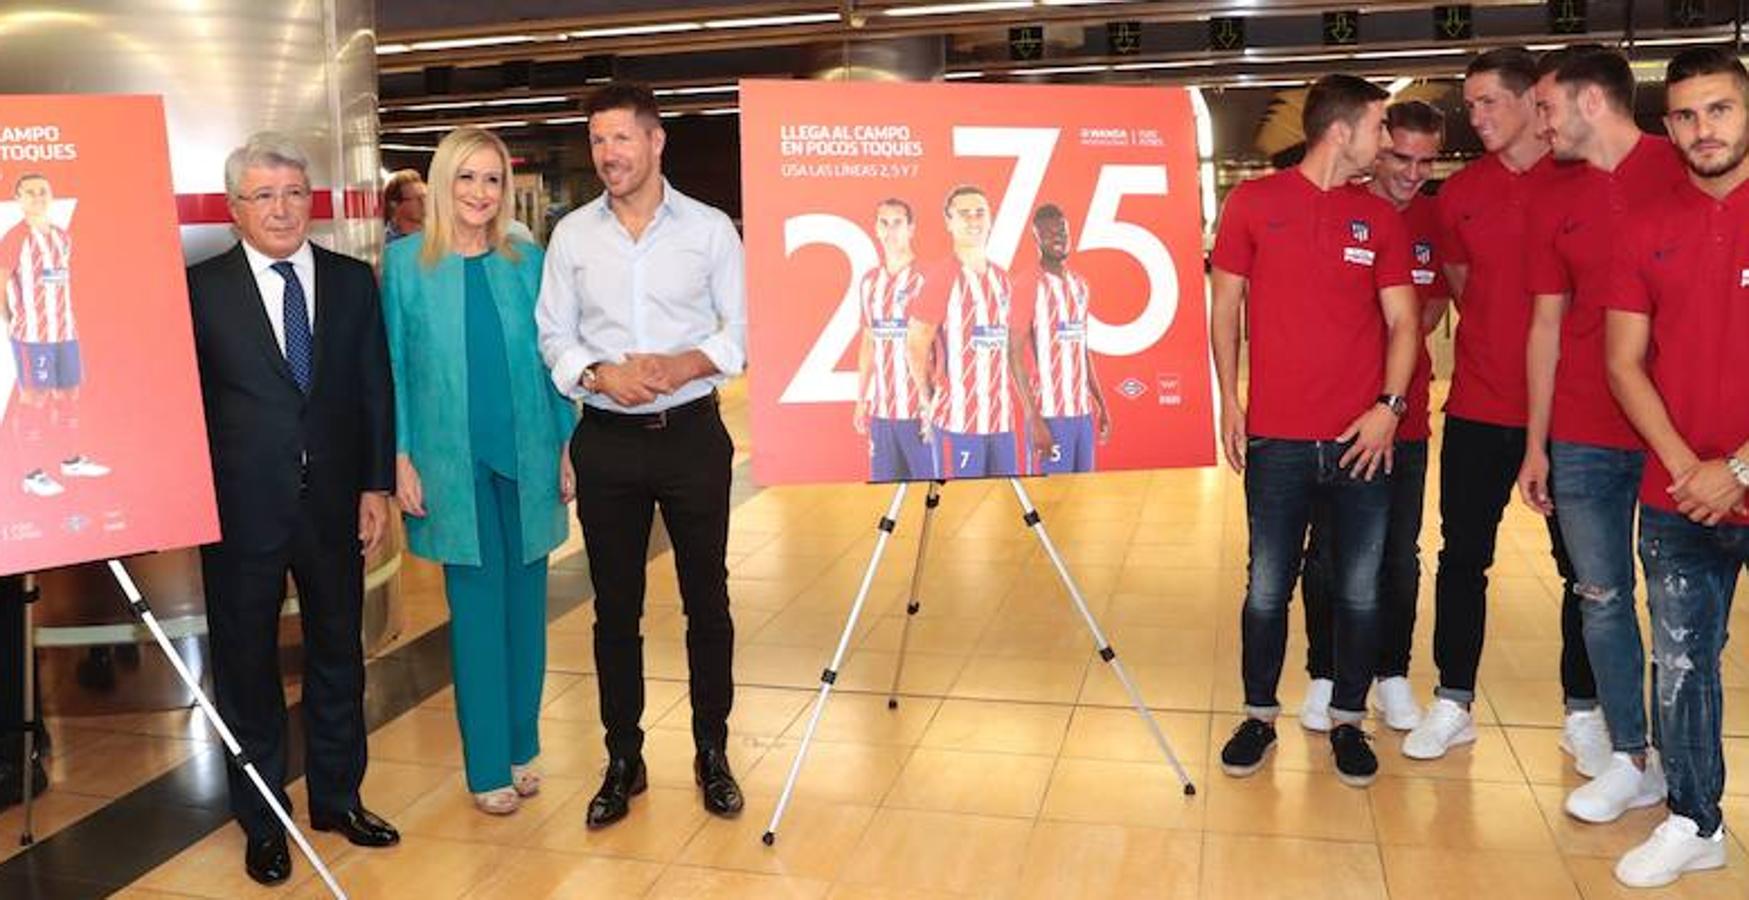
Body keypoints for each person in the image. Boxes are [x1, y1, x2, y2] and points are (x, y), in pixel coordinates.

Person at [186, 132, 399, 885]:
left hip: (335, 505)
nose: (281, 210)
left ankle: (338, 796)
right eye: (263, 195)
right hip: (239, 511)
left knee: (339, 653)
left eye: (293, 194)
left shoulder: (348, 281)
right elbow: (184, 406)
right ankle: (264, 817)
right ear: (235, 207)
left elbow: (374, 386)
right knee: (246, 668)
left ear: (311, 200)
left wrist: (374, 485)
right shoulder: (199, 290)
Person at [535, 82, 746, 829]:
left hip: (691, 435)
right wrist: (598, 374)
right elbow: (553, 334)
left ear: (656, 142)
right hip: (607, 443)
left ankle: (711, 750)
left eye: (621, 139)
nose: (607, 155)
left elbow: (742, 329)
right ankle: (623, 757)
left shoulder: (710, 229)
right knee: (614, 609)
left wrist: (685, 364)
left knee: (706, 601)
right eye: (597, 141)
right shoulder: (572, 236)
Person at [1210, 74, 1420, 787]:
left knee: (1358, 590)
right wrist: (1229, 402)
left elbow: (1402, 324)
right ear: (1341, 131)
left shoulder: (1380, 220)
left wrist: (1388, 408)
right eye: (1379, 127)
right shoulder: (1253, 203)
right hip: (1276, 440)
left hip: (1361, 442)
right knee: (1266, 587)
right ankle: (1257, 715)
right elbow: (1224, 310)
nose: (1385, 142)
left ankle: (1347, 722)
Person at [1404, 48, 1607, 772]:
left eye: (1489, 101)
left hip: (1573, 412)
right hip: (1479, 407)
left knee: (1580, 567)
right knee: (1461, 558)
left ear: (1531, 101)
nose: (1477, 116)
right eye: (1471, 104)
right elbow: (1463, 288)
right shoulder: (1460, 194)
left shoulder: (1583, 182)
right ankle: (1453, 700)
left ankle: (1582, 711)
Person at [381, 127, 576, 816]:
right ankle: (487, 763)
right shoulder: (404, 265)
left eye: (491, 179)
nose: (479, 192)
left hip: (526, 452)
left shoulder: (527, 259)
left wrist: (564, 443)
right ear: (441, 184)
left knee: (527, 608)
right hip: (447, 463)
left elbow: (555, 358)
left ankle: (524, 748)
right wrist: (399, 455)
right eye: (466, 177)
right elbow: (395, 368)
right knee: (474, 612)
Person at [1520, 46, 1687, 825]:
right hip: (1584, 433)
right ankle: (1630, 756)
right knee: (1600, 597)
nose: (1538, 122)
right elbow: (1545, 327)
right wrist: (1536, 442)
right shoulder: (1553, 198)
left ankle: (1686, 767)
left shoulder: (1682, 166)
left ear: (1590, 102)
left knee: (1680, 604)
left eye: (1546, 106)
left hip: (1673, 431)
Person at [1605, 45, 1748, 889]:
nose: (1702, 129)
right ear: (1669, 127)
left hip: (1728, 471)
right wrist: (1690, 468)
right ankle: (1695, 819)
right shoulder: (1644, 228)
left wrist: (1737, 466)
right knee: (1683, 666)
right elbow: (1624, 362)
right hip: (1678, 497)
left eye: (1719, 109)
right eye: (1687, 115)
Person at [1299, 100, 1451, 735]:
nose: (1413, 173)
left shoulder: (1435, 220)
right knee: (1327, 554)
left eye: (1426, 161)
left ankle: (1391, 673)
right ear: (1375, 146)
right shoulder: (1341, 208)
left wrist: (1394, 352)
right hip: (1337, 421)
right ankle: (1325, 673)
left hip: (1405, 422)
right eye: (1400, 157)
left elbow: (1434, 308)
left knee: (1397, 556)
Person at [3, 173, 109, 497]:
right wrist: (10, 319)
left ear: (50, 196)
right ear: (19, 199)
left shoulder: (62, 237)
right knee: (35, 399)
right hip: (33, 337)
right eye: (29, 192)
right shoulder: (15, 238)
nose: (37, 196)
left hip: (65, 332)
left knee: (68, 395)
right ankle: (32, 475)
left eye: (42, 191)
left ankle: (71, 460)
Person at [906, 185, 1018, 479]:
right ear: (949, 222)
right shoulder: (941, 278)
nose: (973, 220)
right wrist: (925, 397)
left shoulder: (1002, 279)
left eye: (979, 213)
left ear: (990, 218)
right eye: (964, 214)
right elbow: (916, 345)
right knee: (962, 508)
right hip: (958, 422)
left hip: (1002, 422)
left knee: (1005, 502)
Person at [1009, 204, 1111, 475]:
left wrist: (1100, 403)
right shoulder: (1027, 284)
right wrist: (1034, 418)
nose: (1059, 238)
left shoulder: (1080, 285)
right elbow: (1014, 354)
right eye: (1050, 233)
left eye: (1063, 232)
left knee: (1082, 498)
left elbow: (1082, 349)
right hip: (1049, 416)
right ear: (1036, 237)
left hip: (1082, 416)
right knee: (1049, 500)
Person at [854, 198, 936, 482]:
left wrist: (933, 404)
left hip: (920, 413)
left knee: (930, 491)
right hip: (882, 412)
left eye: (898, 223)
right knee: (886, 489)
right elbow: (868, 341)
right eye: (883, 223)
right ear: (876, 228)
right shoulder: (869, 283)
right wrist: (861, 398)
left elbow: (941, 345)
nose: (890, 231)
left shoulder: (927, 278)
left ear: (911, 228)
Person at [383, 169, 426, 243]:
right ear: (394, 205)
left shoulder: (439, 238)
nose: (424, 202)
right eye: (417, 198)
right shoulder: (383, 245)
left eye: (425, 197)